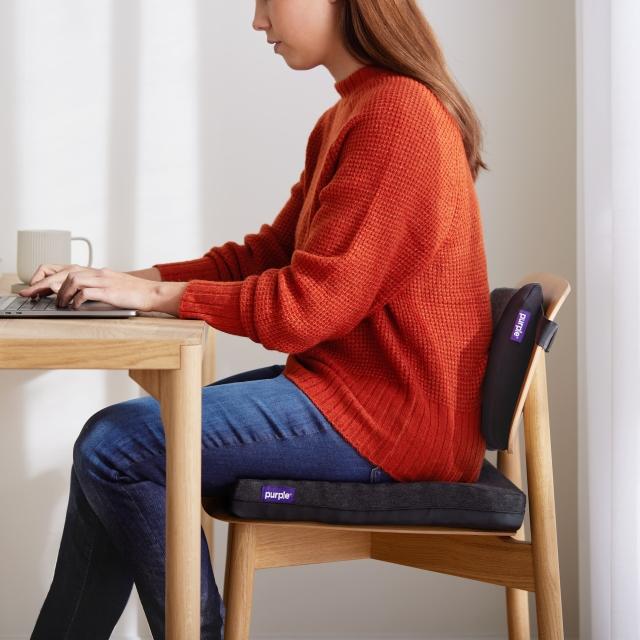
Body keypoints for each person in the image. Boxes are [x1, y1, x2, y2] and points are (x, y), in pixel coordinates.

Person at [21, 0, 493, 637]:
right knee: (113, 447)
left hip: (389, 422)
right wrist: (133, 281)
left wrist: (159, 298)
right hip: (358, 400)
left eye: (268, 0)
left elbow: (305, 309)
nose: (257, 22)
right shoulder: (353, 112)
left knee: (118, 447)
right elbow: (268, 255)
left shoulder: (398, 116)